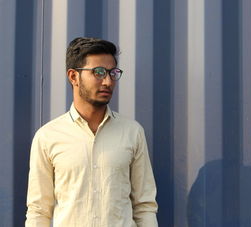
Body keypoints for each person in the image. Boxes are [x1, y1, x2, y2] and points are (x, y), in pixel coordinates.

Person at [26, 37, 158, 226]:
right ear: (73, 77)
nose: (107, 81)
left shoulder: (132, 132)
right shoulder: (48, 137)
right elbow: (39, 210)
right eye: (98, 72)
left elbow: (144, 206)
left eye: (113, 73)